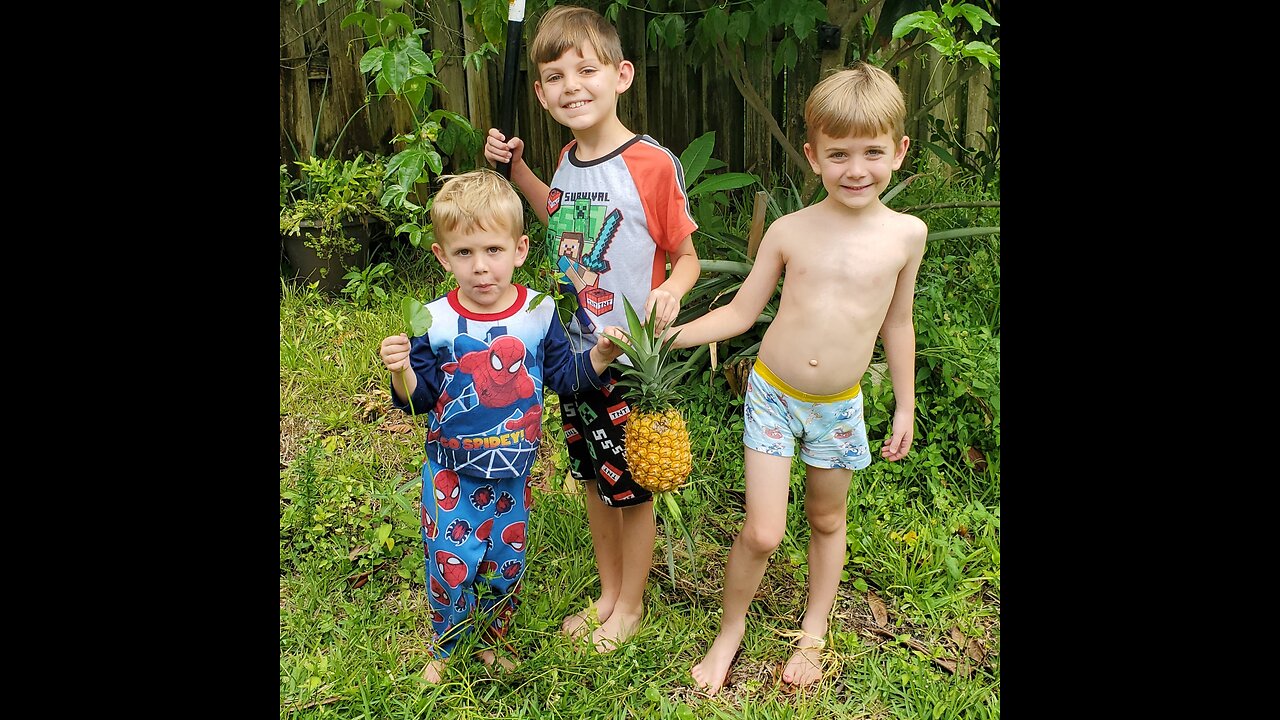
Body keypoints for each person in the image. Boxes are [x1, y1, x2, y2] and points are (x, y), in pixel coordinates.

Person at [667, 62, 928, 695]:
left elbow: (898, 324)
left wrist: (903, 406)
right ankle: (728, 634)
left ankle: (813, 633)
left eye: (872, 152)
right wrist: (666, 336)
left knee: (827, 519)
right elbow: (739, 312)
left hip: (840, 406)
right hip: (774, 398)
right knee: (764, 529)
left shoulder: (905, 236)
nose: (857, 169)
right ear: (813, 156)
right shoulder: (790, 231)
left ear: (899, 151)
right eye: (839, 154)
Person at [482, 4, 701, 653]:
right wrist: (518, 168)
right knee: (591, 475)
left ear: (622, 75)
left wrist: (670, 290)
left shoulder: (652, 165)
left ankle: (630, 607)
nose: (571, 85)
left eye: (586, 69)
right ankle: (607, 591)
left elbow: (686, 256)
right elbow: (560, 223)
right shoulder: (568, 161)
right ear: (540, 92)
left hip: (632, 359)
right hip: (578, 351)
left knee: (632, 487)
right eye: (555, 75)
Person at [377, 169, 624, 683]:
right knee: (450, 562)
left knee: (504, 564)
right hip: (450, 476)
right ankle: (446, 648)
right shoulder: (434, 320)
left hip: (514, 472)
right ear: (443, 257)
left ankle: (492, 640)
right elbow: (419, 400)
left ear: (520, 249)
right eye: (464, 253)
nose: (481, 268)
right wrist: (401, 369)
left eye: (493, 250)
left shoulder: (538, 313)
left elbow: (563, 378)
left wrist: (599, 355)